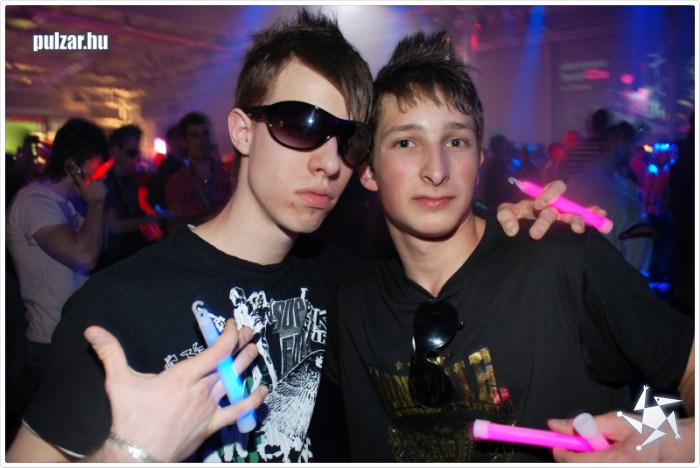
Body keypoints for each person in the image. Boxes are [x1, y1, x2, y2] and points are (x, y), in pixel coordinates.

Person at [6, 11, 583, 464]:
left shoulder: (352, 287)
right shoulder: (118, 306)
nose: (329, 162)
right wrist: (127, 455)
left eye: (347, 140)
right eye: (301, 124)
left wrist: (509, 229)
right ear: (243, 131)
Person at [326, 30, 694, 463]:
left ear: (479, 162)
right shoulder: (355, 307)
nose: (436, 170)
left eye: (456, 141)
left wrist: (669, 440)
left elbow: (687, 367)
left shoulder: (563, 259)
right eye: (406, 142)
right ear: (368, 171)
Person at [5, 118, 109, 383]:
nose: (101, 177)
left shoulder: (69, 203)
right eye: (96, 169)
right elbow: (85, 256)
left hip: (72, 334)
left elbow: (99, 246)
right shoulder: (34, 202)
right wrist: (96, 202)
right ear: (72, 166)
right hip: (51, 341)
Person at [96, 124, 163, 271]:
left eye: (137, 153)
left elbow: (138, 209)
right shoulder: (106, 182)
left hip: (133, 255)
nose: (136, 158)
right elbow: (114, 226)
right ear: (115, 150)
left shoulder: (132, 178)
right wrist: (150, 220)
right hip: (114, 260)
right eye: (131, 153)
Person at [164, 112, 233, 233]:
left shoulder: (228, 173)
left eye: (205, 134)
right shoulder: (177, 183)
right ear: (184, 142)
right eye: (195, 135)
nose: (202, 140)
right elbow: (174, 227)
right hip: (196, 243)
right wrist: (212, 219)